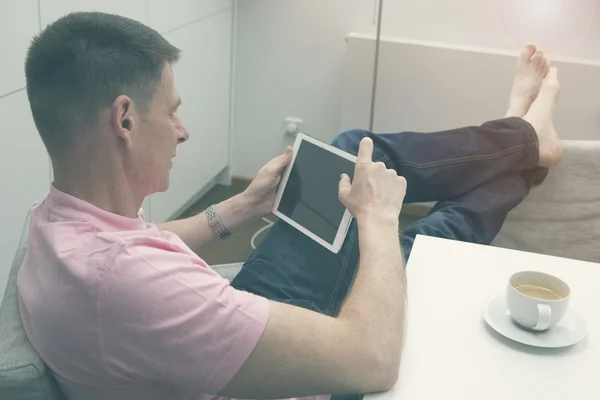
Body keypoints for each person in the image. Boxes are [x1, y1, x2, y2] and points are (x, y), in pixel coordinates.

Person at [17, 11, 562, 400]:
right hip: (258, 374)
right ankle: (525, 144)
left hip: (204, 336)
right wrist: (375, 222)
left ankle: (519, 137)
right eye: (172, 111)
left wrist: (245, 205)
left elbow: (142, 245)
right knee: (406, 247)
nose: (183, 131)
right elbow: (373, 361)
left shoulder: (58, 220)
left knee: (343, 152)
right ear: (126, 121)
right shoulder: (131, 287)